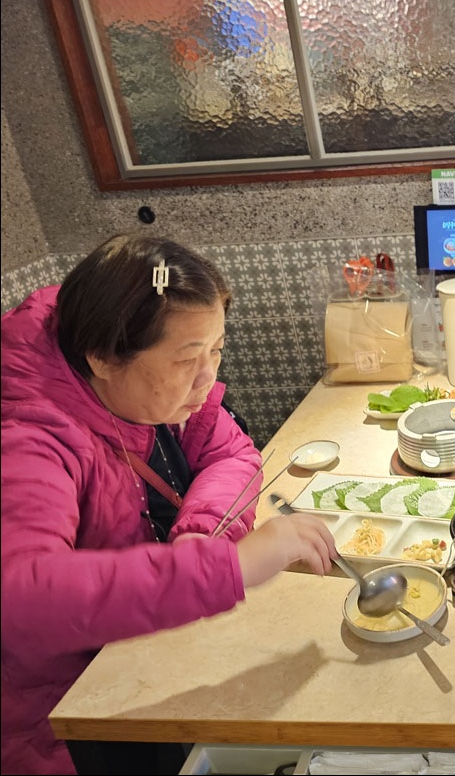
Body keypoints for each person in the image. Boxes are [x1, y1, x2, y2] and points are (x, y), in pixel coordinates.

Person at [1, 235, 339, 775]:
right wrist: (231, 566)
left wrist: (202, 536)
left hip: (136, 659)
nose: (208, 379)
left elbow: (231, 451)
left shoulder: (148, 389)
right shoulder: (29, 435)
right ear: (105, 358)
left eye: (217, 349)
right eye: (187, 358)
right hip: (57, 723)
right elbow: (18, 597)